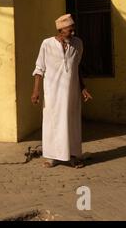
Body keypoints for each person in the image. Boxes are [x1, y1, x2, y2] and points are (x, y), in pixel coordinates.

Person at [31, 14, 93, 168]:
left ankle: (72, 156)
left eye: (73, 30)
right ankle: (53, 157)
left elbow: (75, 68)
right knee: (53, 123)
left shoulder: (78, 43)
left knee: (71, 123)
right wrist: (35, 91)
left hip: (71, 93)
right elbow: (39, 68)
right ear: (60, 30)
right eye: (69, 31)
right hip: (53, 92)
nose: (72, 34)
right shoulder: (47, 44)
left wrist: (83, 87)